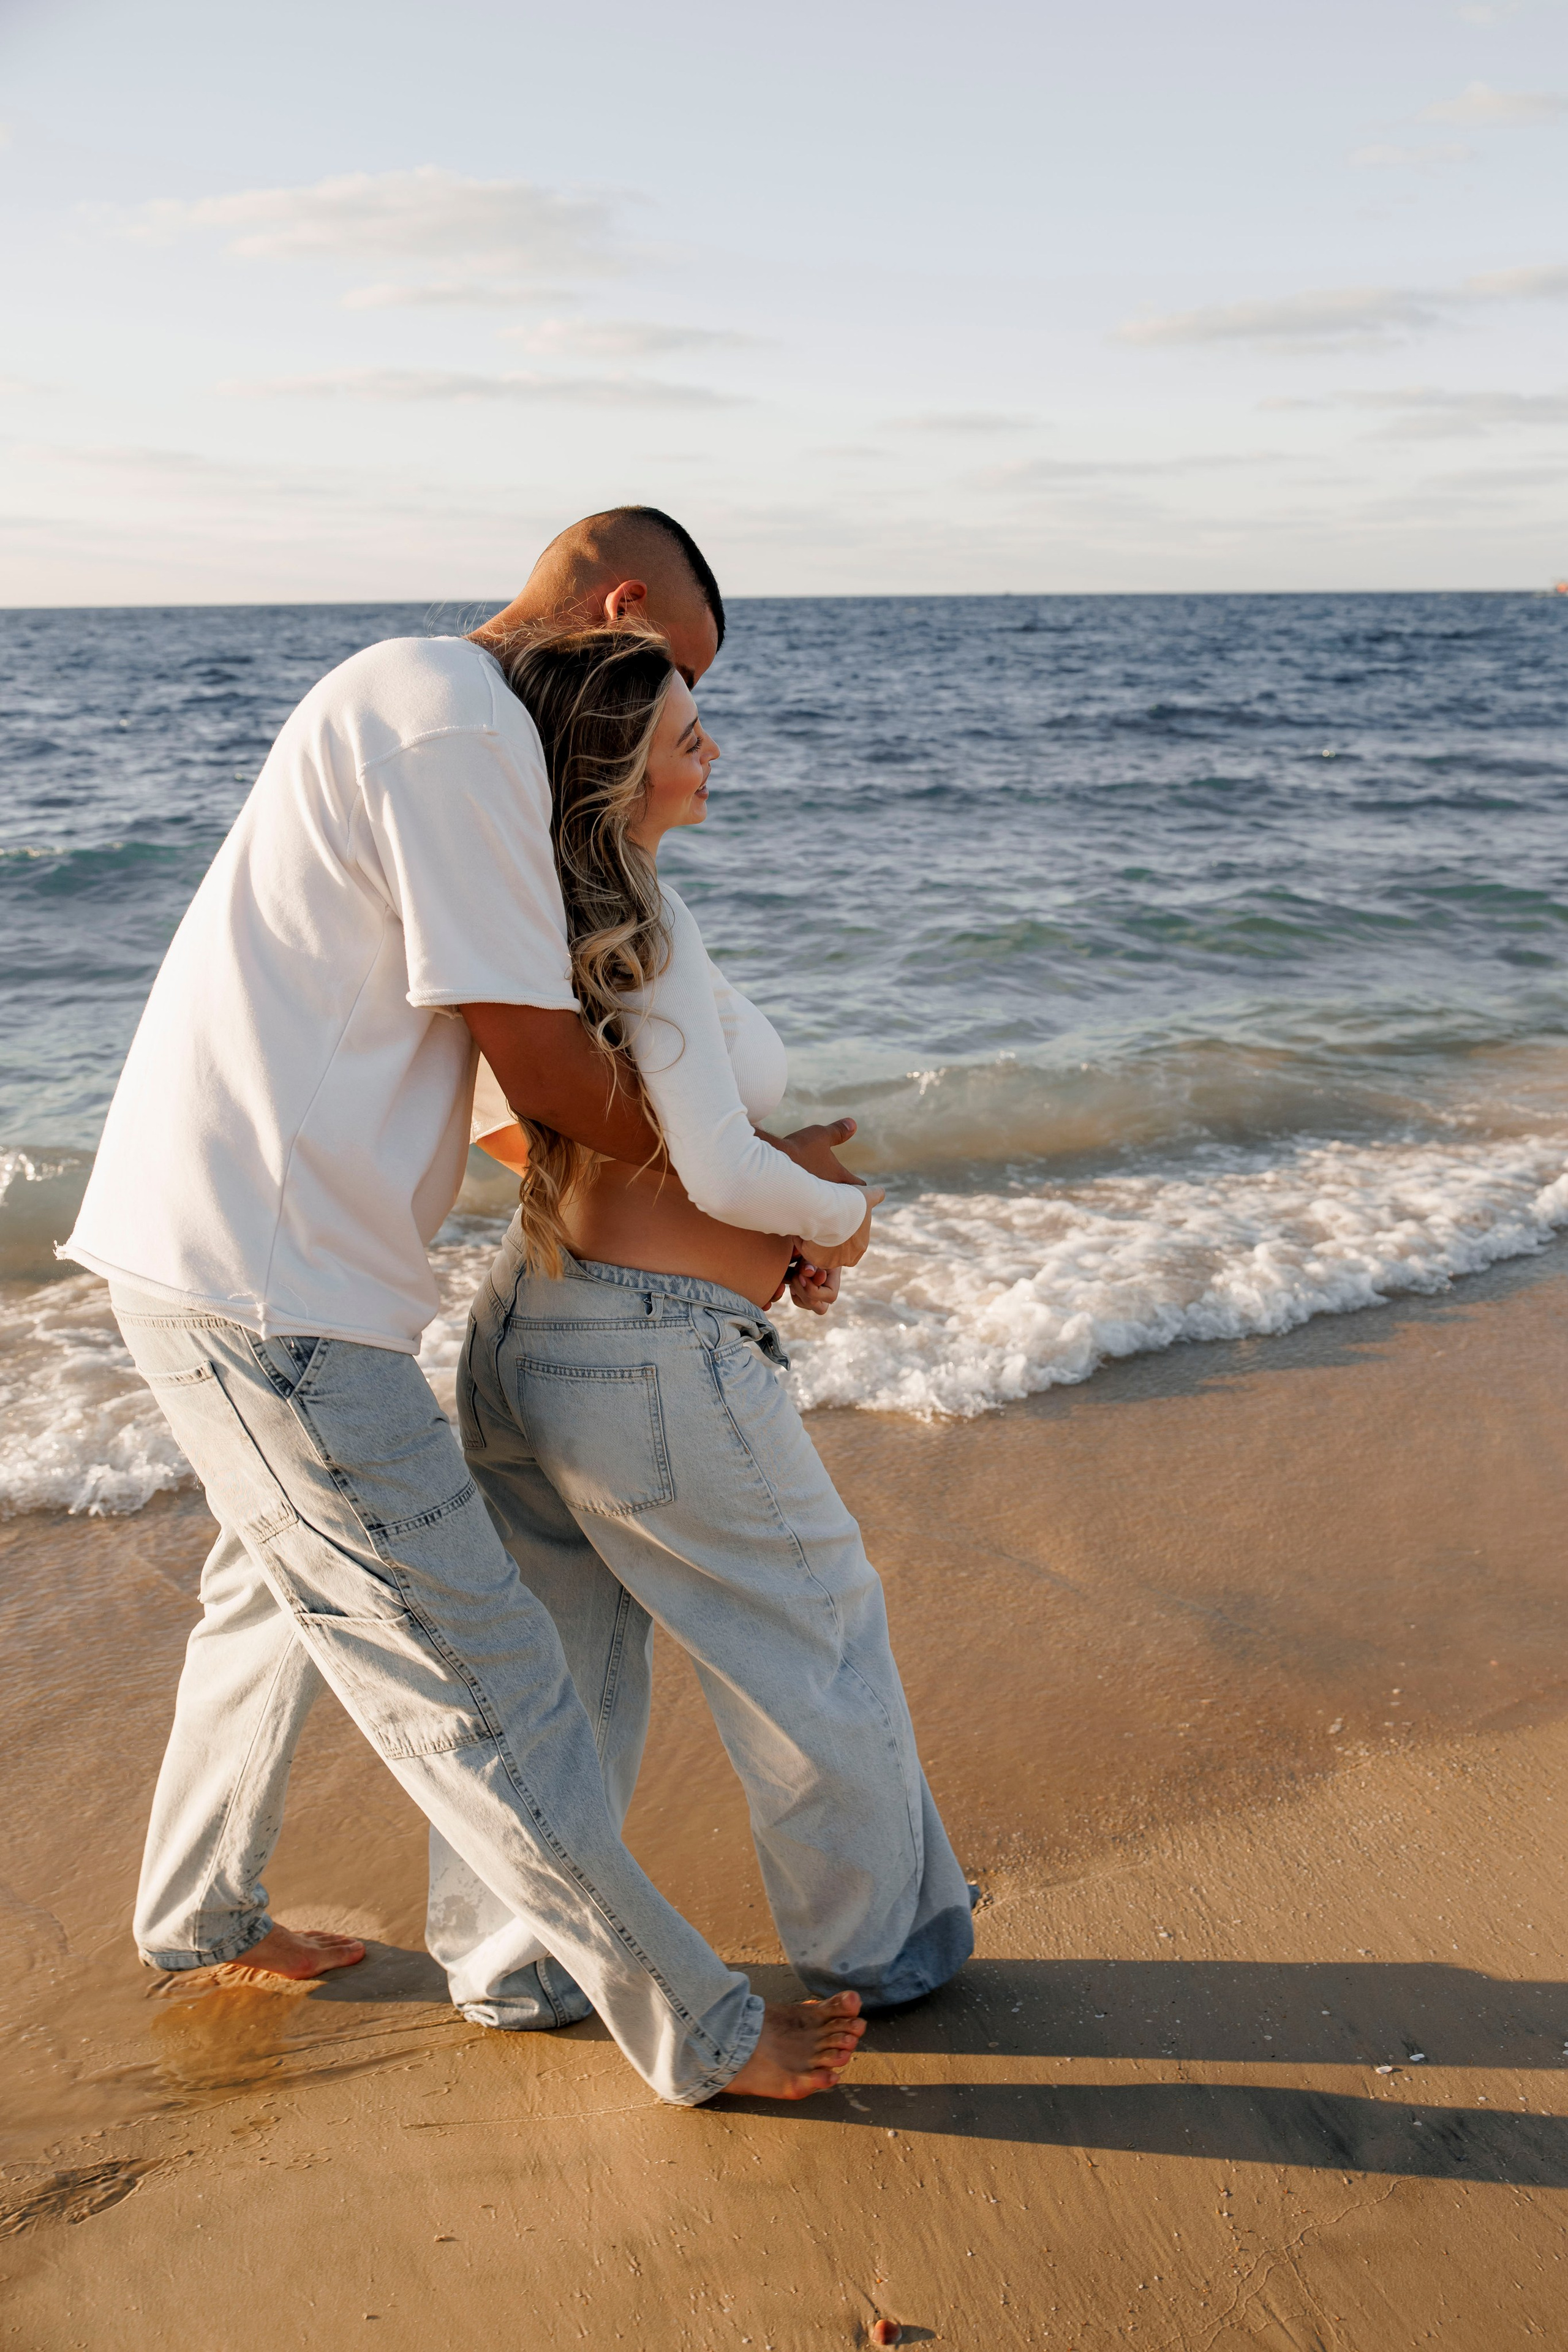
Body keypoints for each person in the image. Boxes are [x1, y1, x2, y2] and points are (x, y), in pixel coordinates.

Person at [62, 507, 875, 2106]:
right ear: (622, 608)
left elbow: (507, 1107)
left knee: (273, 1592)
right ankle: (705, 2036)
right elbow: (548, 1068)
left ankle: (196, 1918)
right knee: (487, 1681)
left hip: (236, 1261)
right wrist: (753, 1177)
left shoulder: (415, 708)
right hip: (262, 1292)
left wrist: (724, 1202)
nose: (654, 728)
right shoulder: (451, 721)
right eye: (672, 679)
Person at [424, 623, 974, 2037]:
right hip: (654, 1355)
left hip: (528, 1327)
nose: (710, 748)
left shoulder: (509, 918)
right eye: (683, 735)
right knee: (811, 1639)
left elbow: (510, 1124)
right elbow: (719, 1169)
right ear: (617, 772)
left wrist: (761, 1206)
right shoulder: (638, 922)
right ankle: (880, 1955)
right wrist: (824, 1220)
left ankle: (520, 1965)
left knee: (553, 1671)